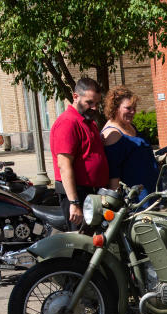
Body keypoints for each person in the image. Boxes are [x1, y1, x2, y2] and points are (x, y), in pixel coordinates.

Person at [49, 76, 110, 228]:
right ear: (75, 97)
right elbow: (64, 165)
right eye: (89, 102)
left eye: (96, 103)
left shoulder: (88, 122)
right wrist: (74, 203)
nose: (94, 108)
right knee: (82, 246)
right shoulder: (68, 123)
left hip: (93, 194)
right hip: (79, 195)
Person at [102, 85, 159, 199]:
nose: (132, 112)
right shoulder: (112, 134)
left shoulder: (129, 126)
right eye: (128, 108)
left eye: (134, 108)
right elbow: (114, 174)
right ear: (115, 108)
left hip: (150, 191)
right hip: (135, 198)